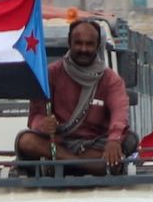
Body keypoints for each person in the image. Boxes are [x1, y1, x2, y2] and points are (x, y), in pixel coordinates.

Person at [16, 20, 132, 173]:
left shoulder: (111, 80)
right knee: (26, 141)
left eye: (89, 44)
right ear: (69, 43)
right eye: (78, 43)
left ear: (97, 46)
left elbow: (120, 113)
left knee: (130, 140)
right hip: (60, 144)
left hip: (94, 144)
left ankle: (66, 164)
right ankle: (87, 165)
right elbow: (34, 117)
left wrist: (114, 140)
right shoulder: (50, 74)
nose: (83, 49)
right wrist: (43, 124)